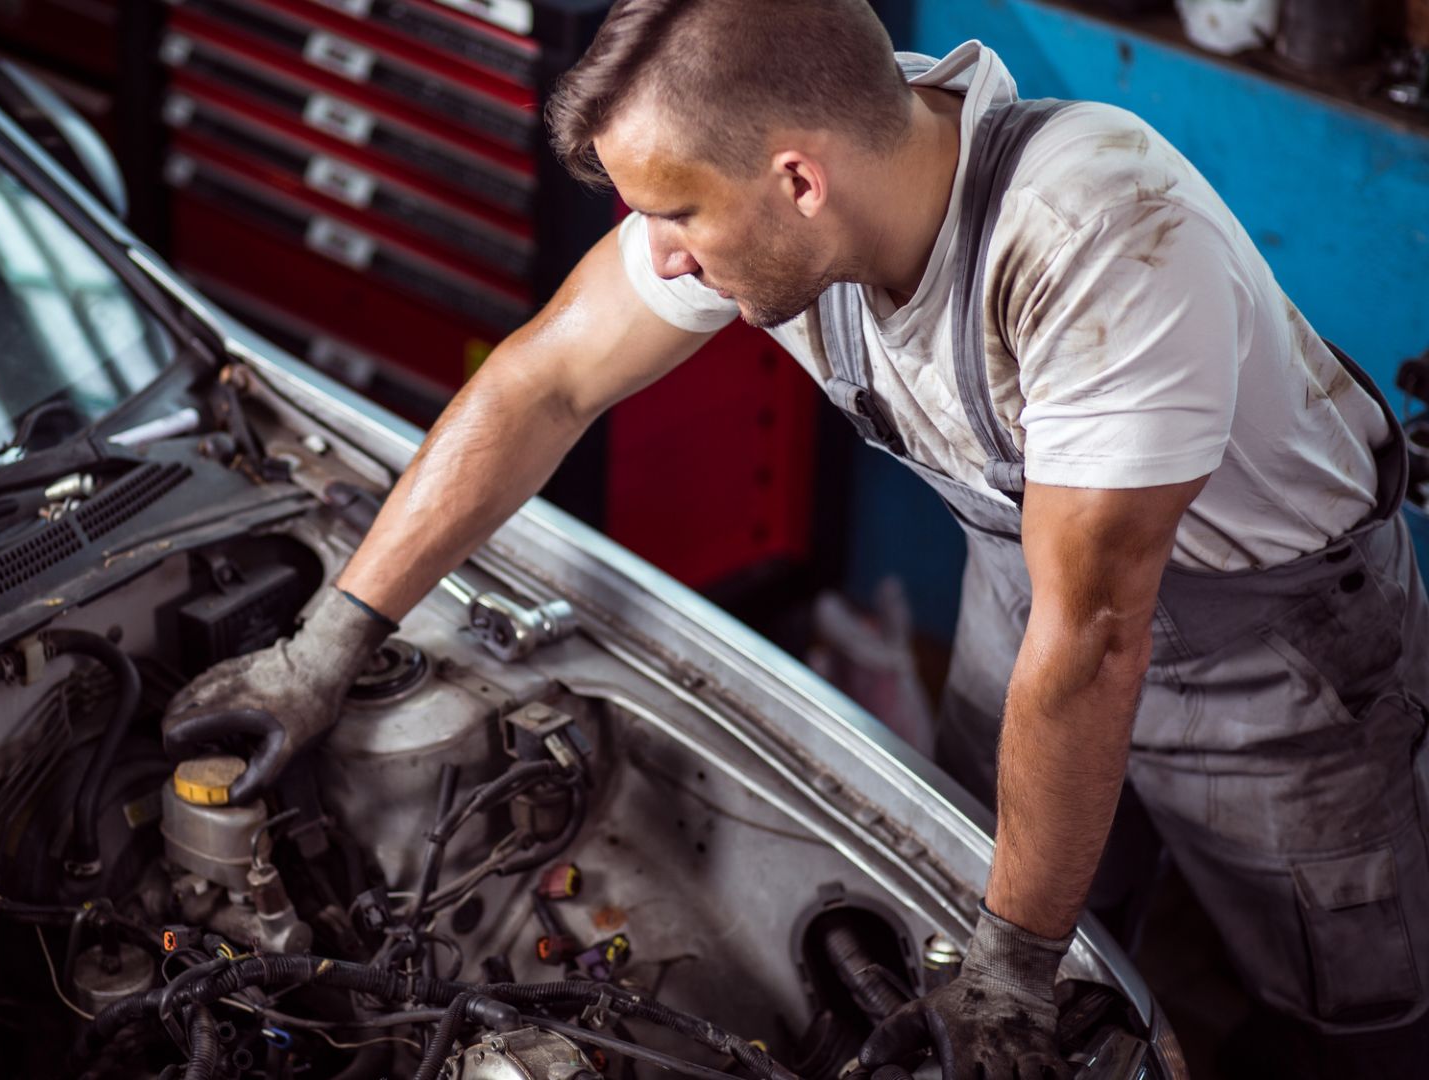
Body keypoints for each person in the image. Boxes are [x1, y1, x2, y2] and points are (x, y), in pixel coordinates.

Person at [162, 0, 1429, 1075]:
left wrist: (1012, 961)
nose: (654, 250)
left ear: (799, 178)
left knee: (1340, 1005)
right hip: (1035, 589)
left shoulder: (1096, 232)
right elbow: (541, 383)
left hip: (1280, 658)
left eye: (674, 214)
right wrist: (325, 646)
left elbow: (1099, 635)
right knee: (991, 910)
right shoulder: (773, 212)